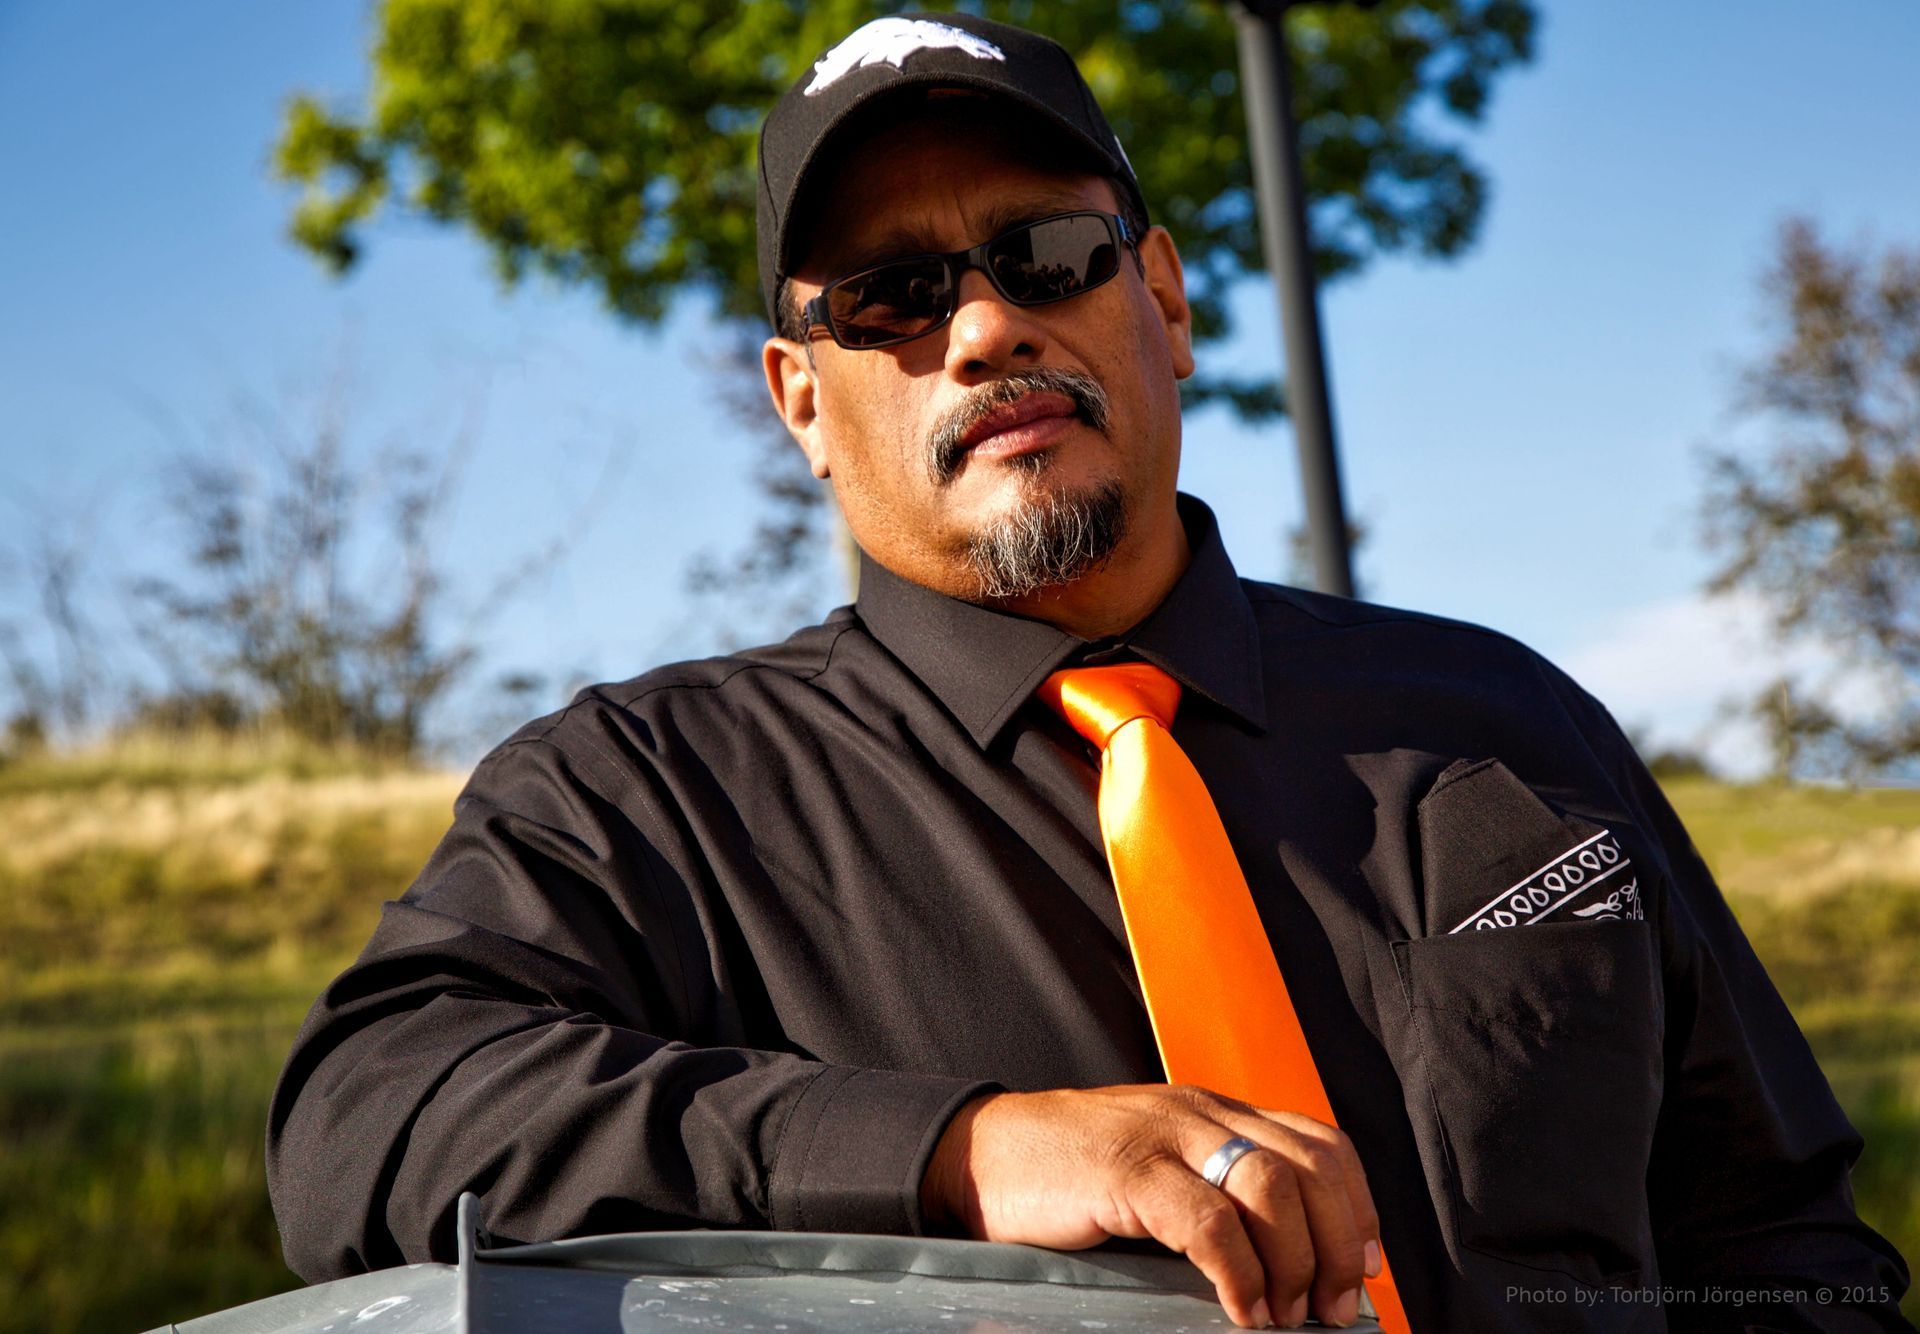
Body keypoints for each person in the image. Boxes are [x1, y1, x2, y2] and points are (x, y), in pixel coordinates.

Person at [266, 12, 1914, 1332]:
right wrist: (966, 1148)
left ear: (1167, 302)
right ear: (800, 401)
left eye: (1046, 250)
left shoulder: (1505, 723)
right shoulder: (644, 791)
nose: (986, 329)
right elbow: (366, 1117)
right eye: (893, 299)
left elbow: (1778, 1244)